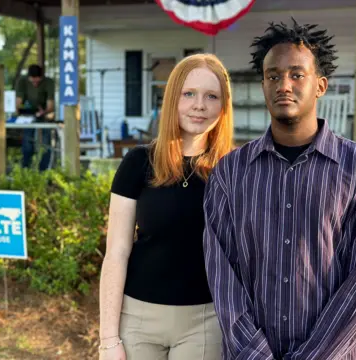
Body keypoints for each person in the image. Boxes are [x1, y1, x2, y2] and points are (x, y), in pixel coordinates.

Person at [203, 19, 356, 360]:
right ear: (263, 85)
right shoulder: (230, 173)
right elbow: (223, 278)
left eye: (296, 74)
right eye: (273, 76)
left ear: (320, 85)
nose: (283, 85)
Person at [99, 53, 234, 360]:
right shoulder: (138, 163)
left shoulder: (233, 170)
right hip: (137, 319)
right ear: (173, 98)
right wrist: (107, 338)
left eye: (211, 96)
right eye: (189, 94)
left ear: (223, 106)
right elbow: (117, 252)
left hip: (204, 322)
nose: (199, 105)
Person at [15, 64, 55, 170]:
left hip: (44, 113)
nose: (35, 84)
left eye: (37, 81)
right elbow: (18, 102)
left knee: (46, 142)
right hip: (28, 114)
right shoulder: (22, 81)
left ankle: (44, 170)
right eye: (33, 81)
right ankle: (26, 169)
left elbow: (50, 105)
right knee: (28, 141)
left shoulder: (48, 82)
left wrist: (44, 111)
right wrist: (19, 110)